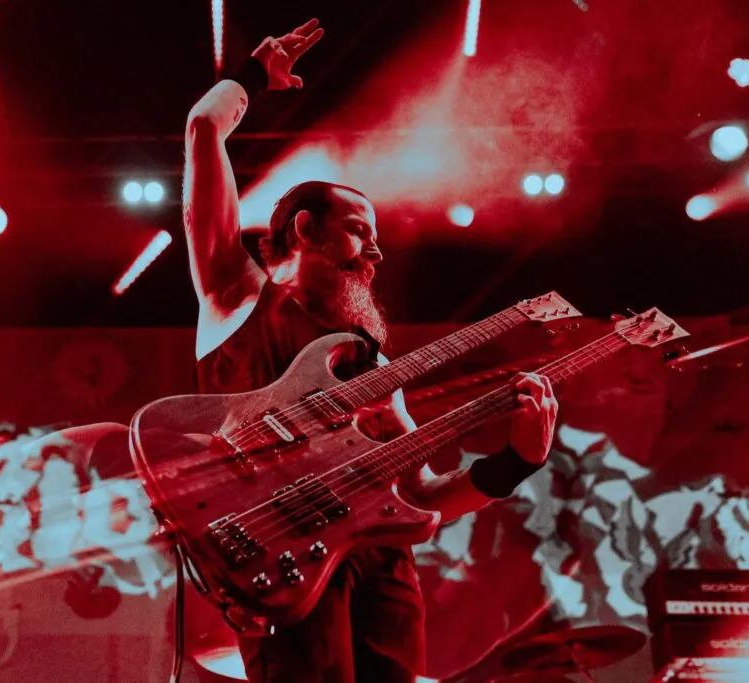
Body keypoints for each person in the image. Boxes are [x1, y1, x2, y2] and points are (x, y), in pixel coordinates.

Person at [182, 18, 560, 683]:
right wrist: (249, 78)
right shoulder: (235, 294)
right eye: (360, 232)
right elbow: (203, 130)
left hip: (385, 573)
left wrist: (516, 461)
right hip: (283, 562)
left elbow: (423, 493)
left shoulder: (371, 367)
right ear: (305, 231)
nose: (378, 253)